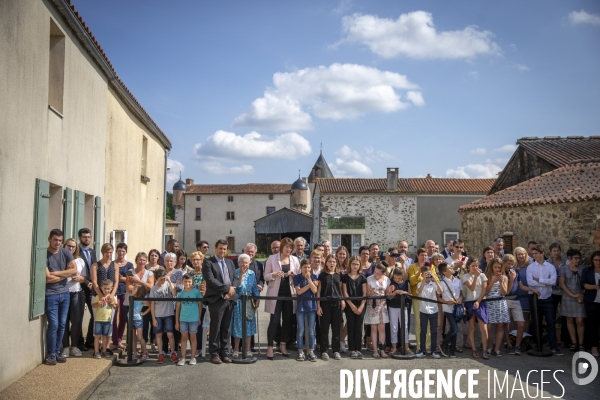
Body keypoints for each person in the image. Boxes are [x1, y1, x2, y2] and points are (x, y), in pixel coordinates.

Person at [203, 239, 238, 364]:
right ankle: (214, 353)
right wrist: (226, 289)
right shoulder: (208, 262)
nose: (222, 251)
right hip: (216, 299)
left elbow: (235, 278)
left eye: (224, 249)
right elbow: (211, 280)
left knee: (226, 327)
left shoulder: (230, 262)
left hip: (230, 299)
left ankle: (224, 352)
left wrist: (231, 290)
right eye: (220, 248)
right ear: (215, 248)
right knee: (216, 327)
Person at [45, 229, 77, 365]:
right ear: (49, 239)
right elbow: (47, 278)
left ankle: (58, 352)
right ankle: (51, 354)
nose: (57, 243)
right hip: (51, 295)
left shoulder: (66, 252)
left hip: (65, 294)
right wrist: (65, 273)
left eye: (59, 240)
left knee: (63, 324)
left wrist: (56, 274)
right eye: (55, 240)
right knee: (54, 325)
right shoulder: (44, 255)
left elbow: (74, 270)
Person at [265, 237, 300, 359]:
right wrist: (274, 274)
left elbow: (299, 276)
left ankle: (283, 345)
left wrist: (293, 274)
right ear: (282, 247)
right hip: (276, 294)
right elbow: (266, 276)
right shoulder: (272, 258)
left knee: (287, 321)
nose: (289, 249)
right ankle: (270, 347)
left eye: (291, 248)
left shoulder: (295, 259)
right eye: (287, 247)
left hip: (290, 294)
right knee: (274, 321)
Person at [527, 245, 563, 356]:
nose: (534, 256)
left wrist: (539, 280)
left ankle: (553, 346)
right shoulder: (531, 267)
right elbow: (530, 282)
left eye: (536, 253)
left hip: (547, 298)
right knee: (536, 322)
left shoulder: (550, 267)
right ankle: (538, 345)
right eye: (533, 254)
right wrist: (544, 282)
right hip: (535, 299)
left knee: (550, 322)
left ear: (542, 253)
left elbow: (553, 282)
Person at [408, 248, 438, 352]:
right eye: (422, 255)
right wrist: (419, 273)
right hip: (418, 298)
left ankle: (428, 345)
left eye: (425, 255)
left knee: (429, 324)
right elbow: (411, 282)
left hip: (430, 299)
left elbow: (436, 280)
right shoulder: (412, 267)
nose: (424, 257)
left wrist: (431, 275)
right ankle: (420, 346)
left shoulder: (431, 267)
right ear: (417, 255)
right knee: (418, 323)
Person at [124, 252, 155, 354]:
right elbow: (129, 288)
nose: (142, 262)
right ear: (136, 260)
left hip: (145, 305)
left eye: (144, 260)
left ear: (146, 262)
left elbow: (151, 287)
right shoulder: (130, 272)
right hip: (131, 305)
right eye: (140, 260)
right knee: (131, 330)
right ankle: (132, 351)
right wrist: (143, 288)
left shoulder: (149, 273)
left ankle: (143, 350)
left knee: (144, 329)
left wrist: (137, 281)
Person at [91, 243, 118, 356]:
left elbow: (116, 281)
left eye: (111, 252)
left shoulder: (115, 265)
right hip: (98, 295)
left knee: (109, 321)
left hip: (111, 295)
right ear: (103, 252)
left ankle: (106, 348)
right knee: (98, 319)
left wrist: (111, 294)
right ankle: (97, 348)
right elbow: (94, 282)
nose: (109, 254)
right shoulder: (95, 265)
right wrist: (101, 295)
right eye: (107, 252)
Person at [231, 254, 260, 358]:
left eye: (246, 262)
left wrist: (257, 299)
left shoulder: (252, 273)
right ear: (238, 263)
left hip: (249, 303)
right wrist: (242, 276)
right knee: (238, 326)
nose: (244, 264)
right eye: (242, 262)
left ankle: (247, 349)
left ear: (249, 263)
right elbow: (237, 289)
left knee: (248, 327)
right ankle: (236, 349)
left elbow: (254, 288)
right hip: (238, 303)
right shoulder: (235, 272)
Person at [61, 239, 87, 358]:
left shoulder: (80, 260)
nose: (70, 248)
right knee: (64, 321)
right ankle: (65, 347)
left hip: (76, 292)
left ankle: (74, 347)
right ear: (64, 246)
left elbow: (84, 277)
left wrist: (79, 278)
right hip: (63, 292)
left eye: (73, 247)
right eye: (69, 246)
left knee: (76, 321)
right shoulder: (60, 258)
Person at [317, 255, 345, 360]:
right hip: (325, 303)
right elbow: (319, 291)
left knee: (336, 328)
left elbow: (341, 289)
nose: (332, 263)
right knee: (324, 328)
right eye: (329, 261)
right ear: (326, 263)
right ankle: (324, 350)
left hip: (337, 304)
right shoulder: (322, 275)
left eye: (333, 261)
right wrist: (318, 305)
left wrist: (342, 301)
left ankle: (336, 350)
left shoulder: (339, 275)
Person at [462, 258, 490, 360]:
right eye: (473, 266)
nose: (475, 268)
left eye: (476, 266)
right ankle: (474, 350)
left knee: (484, 328)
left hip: (481, 302)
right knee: (472, 327)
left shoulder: (482, 276)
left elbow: (484, 290)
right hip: (469, 302)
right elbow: (472, 288)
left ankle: (485, 350)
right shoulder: (465, 276)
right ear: (468, 266)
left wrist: (478, 301)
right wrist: (475, 277)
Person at [558, 249, 586, 352]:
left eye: (579, 258)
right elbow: (562, 284)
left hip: (580, 296)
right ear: (569, 258)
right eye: (575, 258)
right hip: (568, 297)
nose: (578, 260)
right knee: (569, 319)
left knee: (580, 320)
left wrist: (582, 295)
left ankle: (581, 343)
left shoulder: (583, 270)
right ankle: (574, 342)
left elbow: (585, 284)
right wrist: (572, 295)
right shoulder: (563, 269)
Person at [342, 256, 367, 359]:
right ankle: (352, 349)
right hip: (350, 305)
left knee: (359, 327)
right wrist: (351, 305)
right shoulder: (345, 277)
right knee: (350, 326)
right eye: (353, 264)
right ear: (350, 264)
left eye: (357, 264)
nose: (355, 266)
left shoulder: (362, 277)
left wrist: (361, 306)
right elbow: (345, 292)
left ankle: (358, 349)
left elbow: (365, 293)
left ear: (359, 265)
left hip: (360, 305)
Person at [484, 258, 510, 357]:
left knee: (500, 326)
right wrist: (493, 281)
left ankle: (497, 349)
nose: (497, 269)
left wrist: (500, 282)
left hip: (500, 303)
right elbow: (485, 291)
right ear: (491, 267)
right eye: (495, 267)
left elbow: (504, 292)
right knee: (489, 327)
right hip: (490, 303)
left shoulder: (504, 278)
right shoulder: (487, 276)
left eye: (499, 267)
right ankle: (490, 346)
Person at [150, 268, 177, 364]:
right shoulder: (153, 289)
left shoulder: (168, 285)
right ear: (156, 279)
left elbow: (174, 293)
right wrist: (153, 318)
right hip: (158, 314)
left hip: (169, 313)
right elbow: (152, 304)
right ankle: (160, 353)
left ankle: (173, 352)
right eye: (161, 279)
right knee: (158, 334)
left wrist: (169, 280)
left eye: (164, 278)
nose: (163, 281)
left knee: (170, 334)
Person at [294, 259, 319, 362]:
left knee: (311, 330)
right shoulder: (297, 277)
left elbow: (315, 290)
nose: (307, 269)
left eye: (309, 267)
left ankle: (311, 351)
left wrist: (309, 280)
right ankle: (300, 351)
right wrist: (310, 285)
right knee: (301, 329)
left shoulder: (314, 277)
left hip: (311, 306)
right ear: (301, 268)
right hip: (301, 307)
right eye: (305, 267)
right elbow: (299, 291)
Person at [416, 266, 442, 359]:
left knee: (433, 331)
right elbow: (419, 291)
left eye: (429, 273)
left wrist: (434, 279)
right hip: (423, 309)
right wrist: (424, 280)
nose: (427, 275)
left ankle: (433, 350)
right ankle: (422, 350)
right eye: (425, 273)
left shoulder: (434, 284)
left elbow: (440, 291)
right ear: (422, 274)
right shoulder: (419, 283)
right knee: (423, 331)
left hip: (434, 310)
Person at [175, 274, 202, 365]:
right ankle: (183, 358)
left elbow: (200, 306)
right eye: (185, 281)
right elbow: (177, 308)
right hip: (183, 319)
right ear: (182, 282)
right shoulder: (181, 294)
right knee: (183, 338)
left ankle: (192, 357)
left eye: (189, 281)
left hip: (193, 319)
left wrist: (199, 317)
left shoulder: (196, 292)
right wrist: (177, 322)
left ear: (192, 282)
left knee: (193, 338)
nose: (187, 283)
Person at [502, 255, 525, 355]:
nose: (510, 266)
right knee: (505, 324)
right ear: (504, 263)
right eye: (508, 264)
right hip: (505, 300)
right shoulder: (502, 274)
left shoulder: (516, 271)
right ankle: (509, 344)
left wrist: (532, 290)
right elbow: (506, 291)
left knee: (521, 323)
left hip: (516, 300)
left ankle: (517, 346)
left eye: (512, 264)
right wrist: (511, 279)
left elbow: (521, 286)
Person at [77, 228, 97, 351]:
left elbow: (94, 268)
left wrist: (94, 283)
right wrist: (86, 282)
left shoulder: (92, 251)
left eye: (89, 237)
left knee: (94, 315)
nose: (87, 239)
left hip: (92, 288)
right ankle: (79, 343)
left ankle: (90, 341)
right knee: (78, 316)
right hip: (79, 287)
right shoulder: (75, 251)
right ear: (80, 237)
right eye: (85, 237)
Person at [112, 243, 134, 350]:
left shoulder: (130, 265)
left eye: (123, 251)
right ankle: (114, 340)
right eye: (119, 250)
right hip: (114, 293)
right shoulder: (112, 264)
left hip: (125, 293)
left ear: (126, 252)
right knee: (113, 317)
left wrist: (122, 279)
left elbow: (132, 279)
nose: (121, 253)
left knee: (123, 318)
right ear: (116, 251)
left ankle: (119, 339)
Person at [365, 264, 390, 358]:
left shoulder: (387, 279)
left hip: (383, 306)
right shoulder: (369, 279)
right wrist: (370, 292)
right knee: (374, 328)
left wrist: (392, 291)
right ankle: (375, 350)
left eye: (378, 273)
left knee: (382, 328)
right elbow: (366, 293)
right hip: (372, 305)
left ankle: (382, 350)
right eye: (374, 272)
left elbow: (387, 293)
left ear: (383, 274)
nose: (375, 274)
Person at [386, 266, 411, 356]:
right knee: (394, 327)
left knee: (404, 327)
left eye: (399, 278)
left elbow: (410, 294)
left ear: (403, 276)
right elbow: (389, 297)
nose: (397, 279)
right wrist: (395, 292)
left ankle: (406, 347)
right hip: (393, 307)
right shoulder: (391, 283)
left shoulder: (406, 282)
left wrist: (405, 293)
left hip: (403, 307)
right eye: (396, 278)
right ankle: (394, 347)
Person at [439, 262, 462, 358]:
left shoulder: (457, 281)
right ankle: (443, 344)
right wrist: (446, 301)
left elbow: (461, 294)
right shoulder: (442, 283)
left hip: (456, 308)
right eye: (449, 267)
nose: (452, 268)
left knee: (454, 328)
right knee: (454, 328)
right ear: (444, 272)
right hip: (447, 308)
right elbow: (438, 297)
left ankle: (452, 349)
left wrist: (460, 299)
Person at [548, 243, 568, 347]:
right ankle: (552, 339)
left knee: (565, 315)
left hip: (564, 292)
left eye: (558, 250)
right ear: (550, 252)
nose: (556, 253)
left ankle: (564, 339)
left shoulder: (566, 262)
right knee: (551, 315)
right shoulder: (547, 263)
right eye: (554, 251)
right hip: (552, 292)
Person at [92, 280, 117, 359]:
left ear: (111, 288)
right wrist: (98, 303)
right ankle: (96, 351)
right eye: (105, 288)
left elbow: (116, 307)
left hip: (107, 320)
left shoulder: (111, 297)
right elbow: (93, 305)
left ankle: (104, 350)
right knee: (97, 336)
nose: (106, 290)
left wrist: (112, 303)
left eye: (108, 289)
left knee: (105, 336)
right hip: (98, 320)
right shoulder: (98, 297)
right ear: (101, 288)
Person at [188, 251, 207, 357]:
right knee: (191, 327)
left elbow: (204, 290)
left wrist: (201, 290)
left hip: (202, 304)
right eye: (193, 260)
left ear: (202, 260)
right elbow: (187, 288)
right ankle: (193, 348)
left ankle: (199, 348)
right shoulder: (189, 274)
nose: (195, 262)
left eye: (198, 259)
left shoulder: (205, 273)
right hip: (190, 304)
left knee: (199, 326)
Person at [581, 251, 600, 356]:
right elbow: (583, 284)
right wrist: (594, 287)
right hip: (591, 301)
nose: (598, 262)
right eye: (596, 260)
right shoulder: (587, 270)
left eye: (599, 260)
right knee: (592, 324)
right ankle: (594, 346)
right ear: (592, 260)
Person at [514, 246, 536, 335]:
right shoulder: (513, 267)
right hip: (516, 294)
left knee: (526, 316)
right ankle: (512, 336)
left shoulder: (530, 266)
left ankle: (525, 337)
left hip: (526, 293)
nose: (521, 256)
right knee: (513, 317)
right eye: (518, 254)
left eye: (522, 254)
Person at [129, 285, 150, 361]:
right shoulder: (132, 298)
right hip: (131, 319)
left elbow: (150, 306)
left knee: (140, 337)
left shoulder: (142, 299)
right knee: (133, 337)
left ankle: (144, 352)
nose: (132, 289)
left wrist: (144, 313)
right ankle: (134, 353)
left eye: (134, 289)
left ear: (139, 291)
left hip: (138, 319)